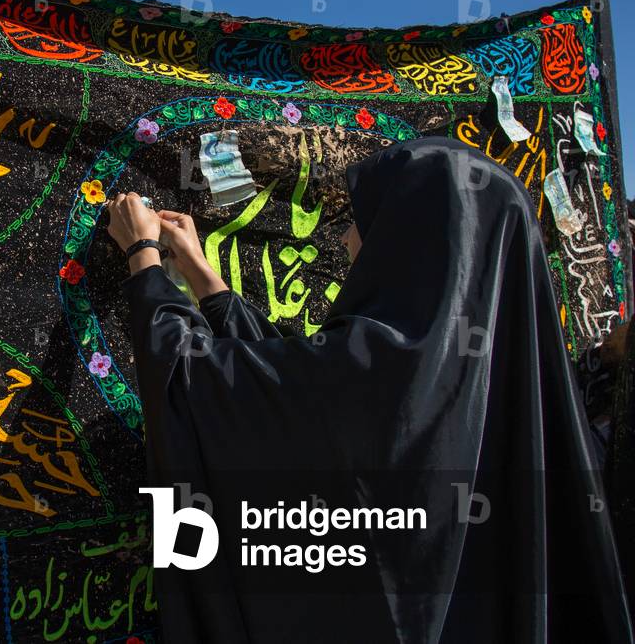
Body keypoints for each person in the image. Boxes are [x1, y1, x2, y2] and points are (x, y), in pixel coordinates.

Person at [105, 137, 634, 643]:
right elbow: (296, 388)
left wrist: (144, 259)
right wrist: (203, 277)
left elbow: (205, 388)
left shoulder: (385, 374)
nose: (346, 240)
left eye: (361, 223)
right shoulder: (522, 398)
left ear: (412, 237)